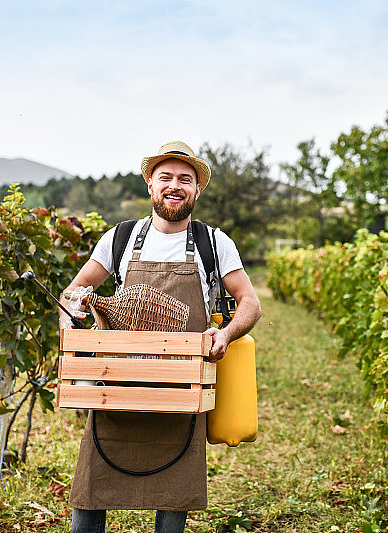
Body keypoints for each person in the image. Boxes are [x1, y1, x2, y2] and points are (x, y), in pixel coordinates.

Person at [58, 141, 262, 533]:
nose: (175, 185)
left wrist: (227, 333)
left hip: (182, 389)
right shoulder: (120, 239)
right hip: (117, 388)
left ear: (196, 190)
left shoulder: (213, 243)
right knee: (90, 488)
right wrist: (74, 319)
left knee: (173, 494)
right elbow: (73, 291)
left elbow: (250, 303)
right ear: (150, 185)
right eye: (165, 177)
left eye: (185, 179)